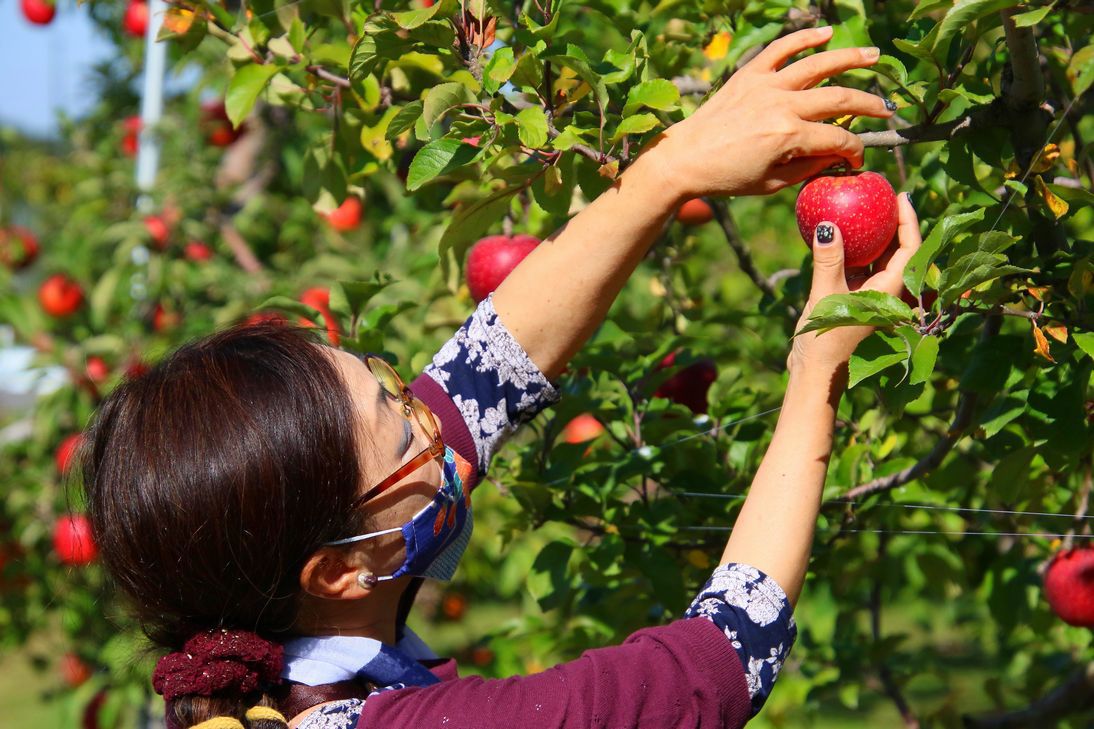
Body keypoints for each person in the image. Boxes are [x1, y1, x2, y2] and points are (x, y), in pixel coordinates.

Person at [81, 27, 921, 729]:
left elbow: (491, 369)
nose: (431, 411)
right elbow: (718, 665)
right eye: (399, 417)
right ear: (338, 570)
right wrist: (819, 373)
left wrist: (678, 165)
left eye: (390, 381)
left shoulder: (296, 642)